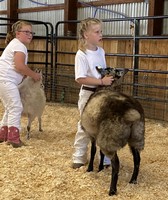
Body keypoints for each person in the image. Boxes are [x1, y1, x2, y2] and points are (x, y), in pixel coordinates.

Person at [72, 18, 114, 169]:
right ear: (85, 35)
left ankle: (105, 157)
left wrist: (110, 76)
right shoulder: (81, 54)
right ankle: (79, 156)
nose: (100, 34)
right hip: (88, 94)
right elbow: (80, 78)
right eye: (97, 32)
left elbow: (100, 71)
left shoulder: (101, 51)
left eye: (100, 31)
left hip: (102, 94)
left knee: (104, 125)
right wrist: (102, 81)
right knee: (85, 125)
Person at [0, 20, 41, 148]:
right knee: (16, 107)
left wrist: (23, 74)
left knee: (10, 107)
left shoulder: (16, 44)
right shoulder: (19, 46)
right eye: (26, 32)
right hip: (6, 80)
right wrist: (34, 75)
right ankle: (13, 138)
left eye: (31, 32)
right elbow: (19, 66)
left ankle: (3, 135)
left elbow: (18, 67)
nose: (30, 35)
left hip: (4, 79)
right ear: (18, 34)